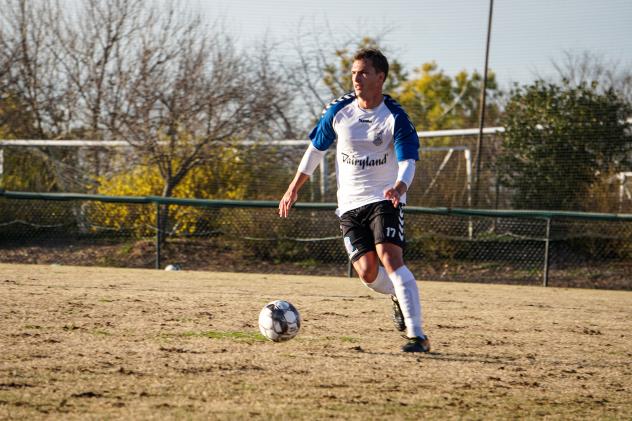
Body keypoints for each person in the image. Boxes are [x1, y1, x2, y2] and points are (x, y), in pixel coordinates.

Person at [278, 48, 430, 353]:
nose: (356, 78)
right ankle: (398, 295)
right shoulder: (339, 111)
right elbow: (316, 150)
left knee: (390, 258)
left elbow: (408, 161)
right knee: (368, 273)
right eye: (353, 73)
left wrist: (400, 187)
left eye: (363, 72)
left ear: (380, 77)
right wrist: (294, 187)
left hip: (385, 199)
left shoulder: (395, 117)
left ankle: (418, 336)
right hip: (348, 206)